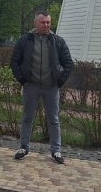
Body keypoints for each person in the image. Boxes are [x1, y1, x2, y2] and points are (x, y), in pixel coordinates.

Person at [10, 11, 73, 164]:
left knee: (53, 119)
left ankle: (56, 150)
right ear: (35, 23)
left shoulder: (58, 41)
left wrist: (60, 81)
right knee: (27, 118)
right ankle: (24, 147)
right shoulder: (25, 40)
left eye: (48, 22)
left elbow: (68, 63)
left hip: (51, 86)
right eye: (43, 22)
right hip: (31, 85)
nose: (46, 25)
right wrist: (22, 79)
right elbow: (14, 61)